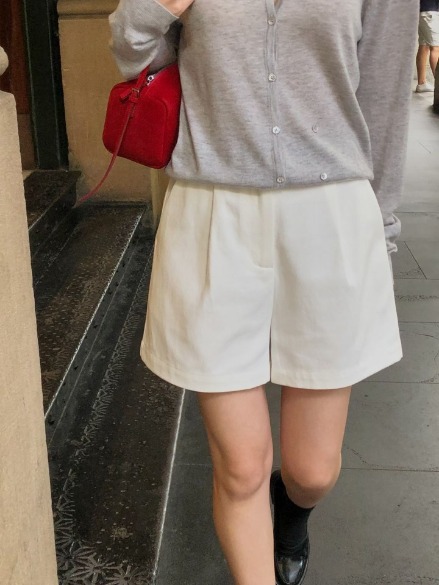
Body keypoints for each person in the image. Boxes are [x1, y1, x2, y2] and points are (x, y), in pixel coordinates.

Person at [109, 1, 418, 584]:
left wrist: (380, 233)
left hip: (331, 217)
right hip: (212, 213)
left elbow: (384, 99)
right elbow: (131, 52)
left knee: (312, 471)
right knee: (241, 467)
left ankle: (293, 510)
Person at [416, 0, 439, 92]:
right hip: (430, 12)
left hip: (423, 11)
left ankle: (421, 83)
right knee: (436, 48)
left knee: (424, 45)